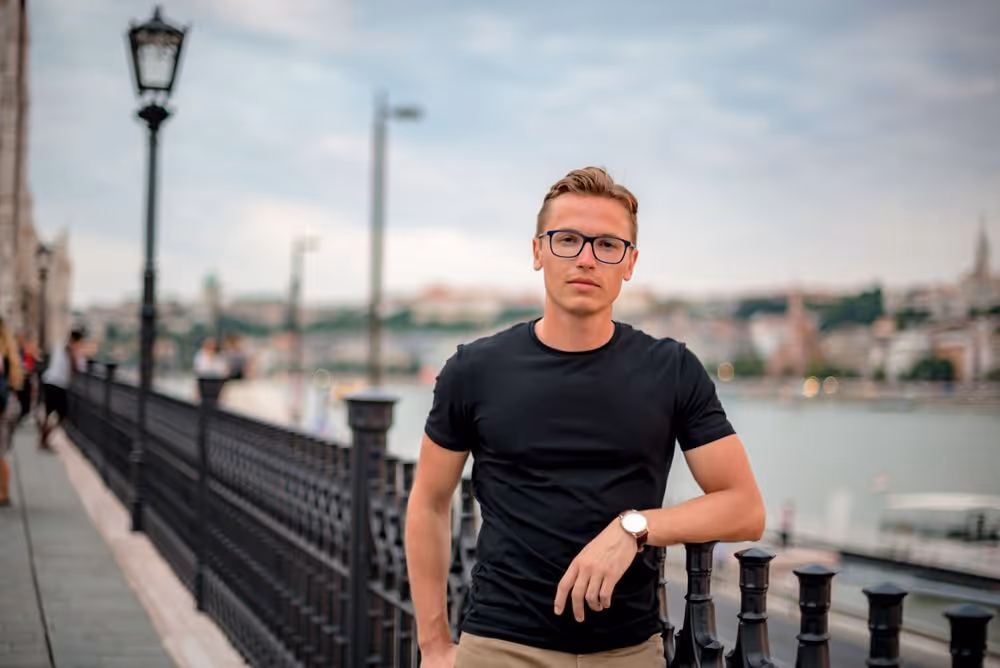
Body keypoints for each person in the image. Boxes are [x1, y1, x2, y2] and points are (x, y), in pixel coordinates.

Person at [404, 167, 766, 668]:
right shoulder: (474, 369)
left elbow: (745, 509)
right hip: (499, 648)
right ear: (537, 252)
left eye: (607, 245)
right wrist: (434, 646)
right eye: (568, 240)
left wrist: (634, 527)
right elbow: (428, 502)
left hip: (628, 652)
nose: (586, 259)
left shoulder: (672, 369)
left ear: (630, 263)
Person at [39, 328, 86, 451]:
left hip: (51, 381)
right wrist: (77, 353)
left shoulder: (60, 345)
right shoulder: (68, 349)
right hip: (57, 384)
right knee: (61, 414)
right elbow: (77, 368)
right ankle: (44, 438)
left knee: (50, 413)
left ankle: (43, 439)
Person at [0, 317, 25, 506]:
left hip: (2, 407)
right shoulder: (11, 352)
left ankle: (3, 494)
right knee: (2, 451)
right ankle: (4, 492)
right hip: (11, 405)